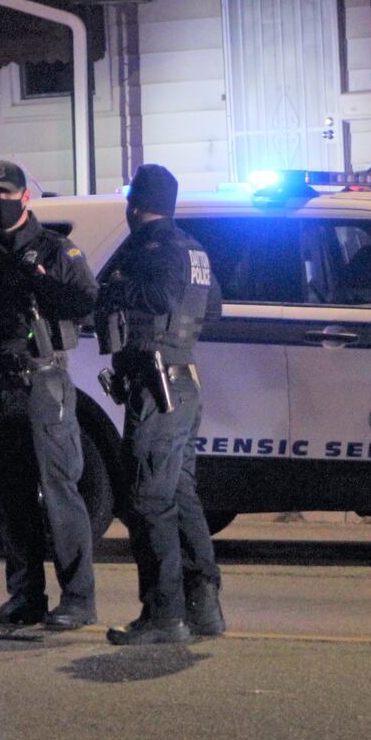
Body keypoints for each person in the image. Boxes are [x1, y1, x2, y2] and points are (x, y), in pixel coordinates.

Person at [0, 160, 100, 631]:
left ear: (25, 197)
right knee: (11, 496)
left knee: (60, 489)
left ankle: (78, 599)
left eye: (5, 193)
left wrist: (39, 280)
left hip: (43, 381)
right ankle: (25, 597)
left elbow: (85, 302)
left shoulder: (57, 250)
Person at [97, 163, 224, 645]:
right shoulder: (194, 248)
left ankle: (163, 615)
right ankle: (203, 608)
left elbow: (158, 294)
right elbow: (213, 307)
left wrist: (115, 291)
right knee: (181, 494)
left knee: (149, 500)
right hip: (183, 378)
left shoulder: (151, 248)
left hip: (157, 387)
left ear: (136, 203)